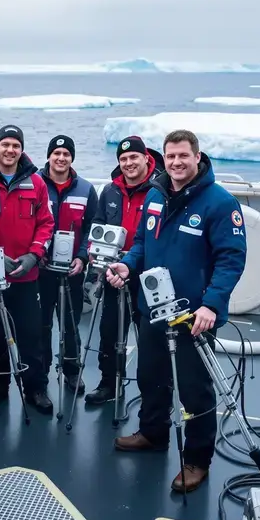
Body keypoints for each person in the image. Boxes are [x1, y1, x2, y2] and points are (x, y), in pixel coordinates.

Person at [106, 129, 246, 493]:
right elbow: (141, 243)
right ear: (163, 159)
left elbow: (231, 260)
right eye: (170, 156)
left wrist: (212, 304)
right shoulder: (155, 195)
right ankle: (153, 434)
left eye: (183, 155)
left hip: (192, 316)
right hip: (152, 309)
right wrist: (128, 266)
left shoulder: (220, 203)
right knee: (150, 376)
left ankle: (197, 460)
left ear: (198, 157)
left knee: (194, 390)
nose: (177, 163)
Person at [0, 125, 56, 414]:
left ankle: (36, 388)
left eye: (15, 145)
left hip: (26, 275)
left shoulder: (36, 182)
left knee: (31, 334)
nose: (10, 150)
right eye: (5, 144)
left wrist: (34, 255)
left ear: (21, 149)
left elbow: (46, 223)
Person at [83, 135, 165, 405]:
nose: (129, 163)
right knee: (110, 332)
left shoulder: (160, 190)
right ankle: (110, 384)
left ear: (145, 158)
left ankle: (152, 390)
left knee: (150, 337)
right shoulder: (110, 191)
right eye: (123, 158)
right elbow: (97, 225)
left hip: (147, 277)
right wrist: (101, 262)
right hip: (113, 274)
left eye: (133, 157)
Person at [37, 135, 98, 395]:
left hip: (72, 270)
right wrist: (35, 252)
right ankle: (39, 375)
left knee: (70, 324)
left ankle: (72, 371)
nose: (61, 158)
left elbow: (92, 228)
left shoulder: (85, 189)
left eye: (66, 154)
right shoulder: (35, 184)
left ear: (72, 158)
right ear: (49, 156)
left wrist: (82, 257)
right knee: (40, 324)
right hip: (41, 270)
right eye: (57, 153)